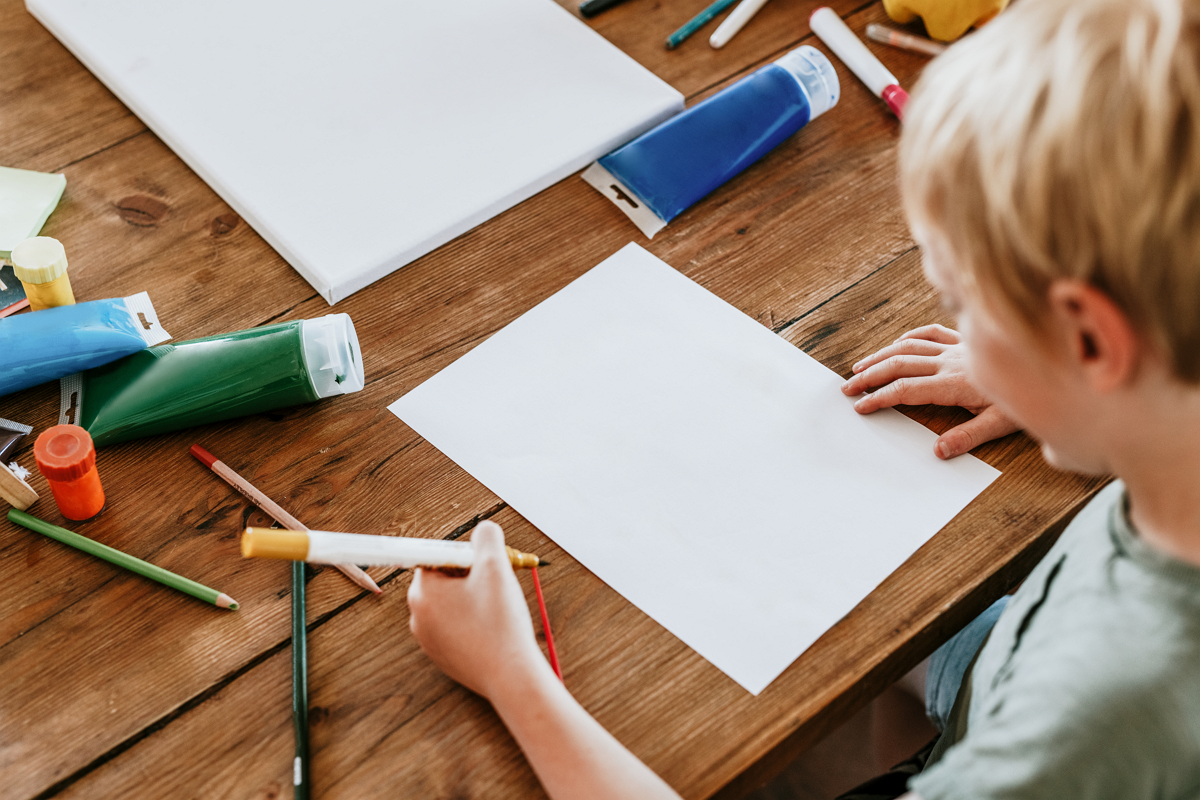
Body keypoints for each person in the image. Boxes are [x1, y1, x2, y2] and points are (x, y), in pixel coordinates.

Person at [407, 0, 1200, 796]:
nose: (959, 325)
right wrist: (1056, 382)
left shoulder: (1099, 722)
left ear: (1094, 339)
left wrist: (513, 675)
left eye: (967, 306)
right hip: (1022, 661)